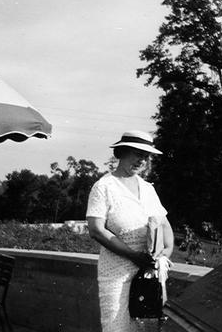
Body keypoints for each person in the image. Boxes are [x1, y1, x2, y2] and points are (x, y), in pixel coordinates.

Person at [86, 130, 174, 332]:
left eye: (146, 156)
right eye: (137, 153)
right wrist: (133, 256)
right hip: (117, 273)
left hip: (150, 274)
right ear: (122, 152)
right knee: (117, 327)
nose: (142, 160)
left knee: (150, 328)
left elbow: (165, 226)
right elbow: (96, 230)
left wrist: (163, 257)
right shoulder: (104, 187)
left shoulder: (148, 189)